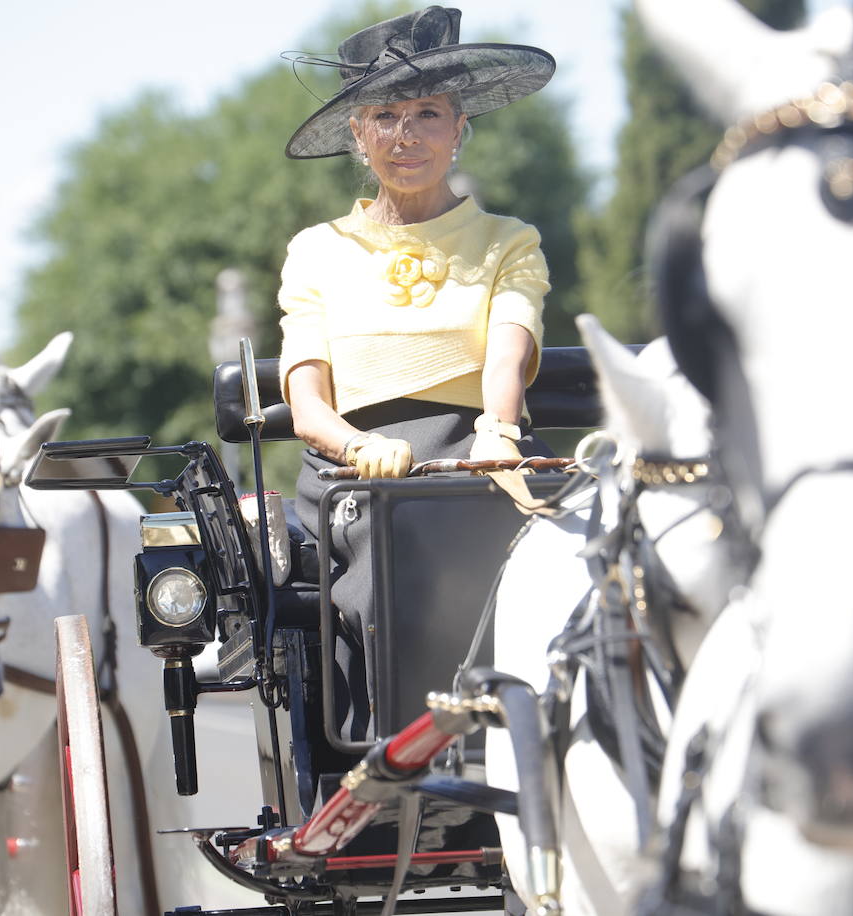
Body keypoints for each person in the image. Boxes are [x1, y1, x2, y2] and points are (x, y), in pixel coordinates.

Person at [277, 5, 556, 738]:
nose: (407, 135)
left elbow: (508, 351)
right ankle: (395, 748)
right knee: (395, 543)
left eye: (428, 113)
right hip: (354, 476)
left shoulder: (508, 241)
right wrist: (359, 449)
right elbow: (307, 405)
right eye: (386, 115)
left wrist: (497, 430)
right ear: (358, 137)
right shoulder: (316, 249)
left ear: (459, 128)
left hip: (476, 459)